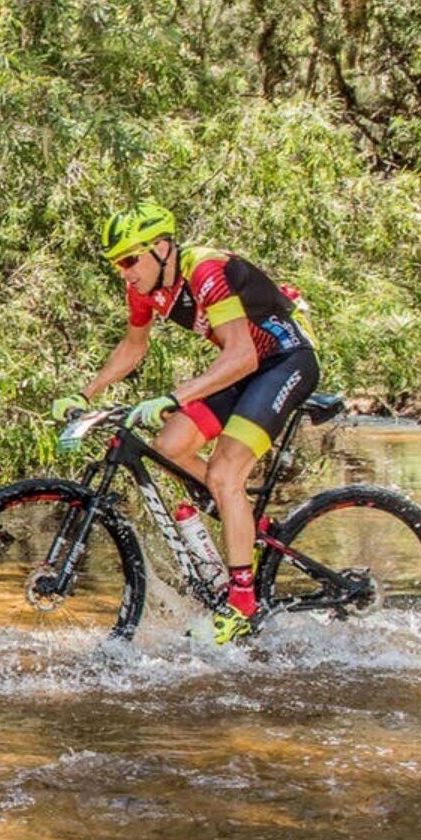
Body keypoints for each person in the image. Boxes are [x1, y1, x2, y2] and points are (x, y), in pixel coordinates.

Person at [51, 201, 319, 644]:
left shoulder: (207, 270)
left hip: (285, 361)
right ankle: (246, 523)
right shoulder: (144, 287)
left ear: (161, 248)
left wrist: (174, 396)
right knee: (170, 445)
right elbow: (133, 347)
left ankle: (241, 607)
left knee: (224, 472)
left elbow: (242, 354)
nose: (124, 272)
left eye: (129, 259)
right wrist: (85, 394)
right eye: (117, 263)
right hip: (247, 369)